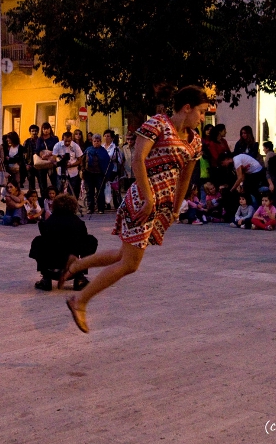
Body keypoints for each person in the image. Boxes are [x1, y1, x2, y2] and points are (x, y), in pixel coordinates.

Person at [63, 85, 209, 333]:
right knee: (130, 263)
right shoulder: (157, 124)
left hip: (161, 202)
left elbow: (186, 175)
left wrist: (175, 208)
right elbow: (138, 159)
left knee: (124, 255)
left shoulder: (194, 140)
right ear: (187, 107)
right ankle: (80, 300)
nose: (203, 117)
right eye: (202, 111)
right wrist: (148, 197)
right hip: (142, 200)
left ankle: (75, 265)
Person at [29, 194, 96, 291]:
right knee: (90, 240)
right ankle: (80, 277)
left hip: (51, 267)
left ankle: (46, 278)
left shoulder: (47, 223)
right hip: (73, 268)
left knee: (38, 241)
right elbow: (83, 239)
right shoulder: (79, 223)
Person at [83, 134, 111, 214]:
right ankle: (90, 208)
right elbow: (83, 161)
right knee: (89, 191)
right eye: (94, 141)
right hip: (89, 174)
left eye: (98, 141)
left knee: (100, 191)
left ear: (100, 142)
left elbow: (107, 163)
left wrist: (106, 174)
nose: (96, 143)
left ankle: (101, 208)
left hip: (99, 174)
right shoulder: (88, 150)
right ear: (92, 141)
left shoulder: (103, 151)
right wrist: (82, 170)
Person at [52, 131, 83, 198]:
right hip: (61, 172)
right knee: (59, 190)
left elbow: (80, 160)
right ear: (63, 139)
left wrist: (71, 165)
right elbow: (54, 158)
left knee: (71, 191)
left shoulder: (75, 146)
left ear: (71, 139)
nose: (67, 143)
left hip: (73, 173)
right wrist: (59, 161)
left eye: (69, 141)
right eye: (65, 141)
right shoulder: (57, 145)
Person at [35, 122, 59, 198]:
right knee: (42, 183)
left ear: (50, 129)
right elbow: (37, 150)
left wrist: (49, 154)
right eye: (44, 129)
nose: (46, 130)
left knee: (54, 181)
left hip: (51, 161)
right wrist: (42, 155)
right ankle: (44, 199)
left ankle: (55, 198)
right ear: (42, 129)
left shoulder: (55, 138)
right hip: (42, 162)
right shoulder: (39, 139)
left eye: (47, 128)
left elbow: (57, 148)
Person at [23, 125, 40, 192]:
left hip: (39, 165)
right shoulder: (27, 142)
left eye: (35, 131)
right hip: (30, 165)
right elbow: (23, 154)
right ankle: (31, 199)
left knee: (41, 183)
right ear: (30, 132)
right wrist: (26, 164)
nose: (34, 133)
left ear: (38, 132)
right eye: (32, 131)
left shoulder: (40, 141)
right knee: (31, 184)